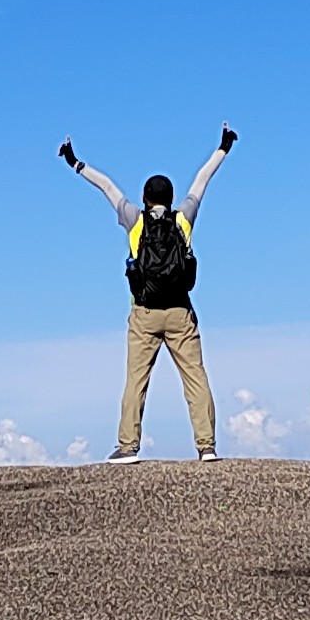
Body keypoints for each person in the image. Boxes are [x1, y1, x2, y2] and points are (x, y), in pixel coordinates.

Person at [60, 124, 236, 460]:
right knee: (195, 379)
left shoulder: (134, 220)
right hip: (180, 312)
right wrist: (223, 147)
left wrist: (75, 162)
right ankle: (207, 447)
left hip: (143, 313)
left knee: (135, 382)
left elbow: (107, 186)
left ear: (144, 198)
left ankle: (128, 447)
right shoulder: (184, 218)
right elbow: (202, 180)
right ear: (171, 200)